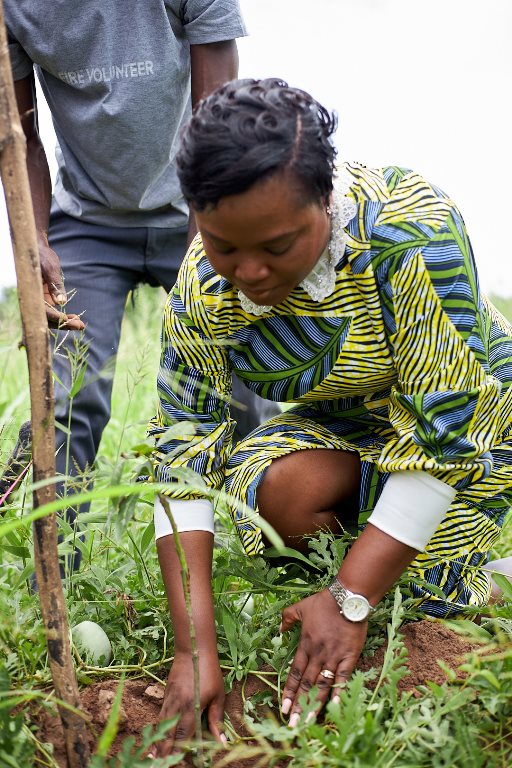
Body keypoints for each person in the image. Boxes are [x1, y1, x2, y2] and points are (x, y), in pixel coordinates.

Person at [146, 77, 512, 753]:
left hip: (471, 422)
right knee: (283, 495)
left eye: (277, 247)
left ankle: (458, 569)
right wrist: (193, 646)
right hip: (341, 424)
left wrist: (351, 599)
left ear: (325, 198)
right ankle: (380, 548)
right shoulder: (203, 290)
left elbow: (448, 423)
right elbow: (183, 449)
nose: (250, 271)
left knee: (427, 600)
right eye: (226, 246)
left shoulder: (409, 230)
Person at [2, 2, 277, 527]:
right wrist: (32, 237)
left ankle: (280, 548)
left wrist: (206, 248)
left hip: (198, 205)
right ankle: (64, 572)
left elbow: (215, 121)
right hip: (88, 220)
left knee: (249, 382)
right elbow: (20, 137)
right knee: (68, 400)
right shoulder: (16, 9)